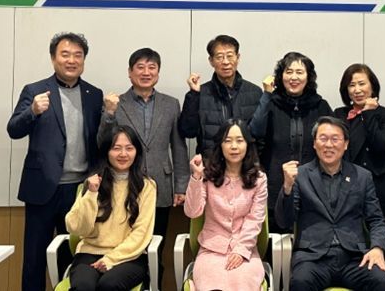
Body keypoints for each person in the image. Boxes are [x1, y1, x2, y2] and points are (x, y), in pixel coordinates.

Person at [7, 32, 103, 291]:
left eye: (78, 55)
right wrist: (32, 111)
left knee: (73, 256)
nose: (72, 60)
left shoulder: (94, 94)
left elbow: (98, 141)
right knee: (35, 257)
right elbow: (13, 130)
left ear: (83, 60)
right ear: (53, 59)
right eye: (65, 54)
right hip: (42, 187)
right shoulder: (35, 90)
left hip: (79, 190)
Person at [98, 47, 189, 287]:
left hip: (161, 186)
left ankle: (153, 286)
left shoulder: (171, 104)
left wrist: (181, 185)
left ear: (158, 72)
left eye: (152, 67)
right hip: (125, 186)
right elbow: (102, 143)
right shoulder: (116, 103)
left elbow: (179, 147)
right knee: (126, 245)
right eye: (140, 67)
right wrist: (109, 113)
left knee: (156, 247)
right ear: (130, 72)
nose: (146, 72)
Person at [275, 116, 385, 291]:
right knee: (300, 282)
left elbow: (377, 220)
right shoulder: (300, 175)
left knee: (382, 281)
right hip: (313, 258)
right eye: (323, 139)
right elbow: (284, 221)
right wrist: (287, 187)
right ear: (314, 143)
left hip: (354, 258)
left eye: (335, 139)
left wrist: (377, 248)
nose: (329, 145)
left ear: (345, 144)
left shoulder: (362, 176)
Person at [66, 125, 157, 291]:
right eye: (116, 148)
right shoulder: (93, 183)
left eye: (129, 148)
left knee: (109, 285)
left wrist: (111, 259)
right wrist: (91, 194)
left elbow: (141, 232)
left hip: (130, 257)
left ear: (136, 152)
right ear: (106, 152)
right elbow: (76, 227)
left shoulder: (147, 186)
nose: (123, 154)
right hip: (89, 252)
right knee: (83, 286)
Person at [249, 51, 332, 231]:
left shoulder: (321, 106)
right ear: (281, 76)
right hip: (276, 186)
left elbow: (333, 144)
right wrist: (266, 95)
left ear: (308, 77)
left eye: (299, 72)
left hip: (314, 187)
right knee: (278, 239)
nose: (294, 77)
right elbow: (254, 132)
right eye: (289, 72)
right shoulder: (270, 103)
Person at [184, 119, 268, 291]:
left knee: (243, 285)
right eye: (228, 141)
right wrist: (196, 177)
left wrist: (241, 250)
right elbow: (193, 212)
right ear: (220, 145)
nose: (234, 146)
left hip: (245, 251)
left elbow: (255, 219)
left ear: (247, 144)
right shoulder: (208, 175)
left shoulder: (259, 179)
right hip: (211, 251)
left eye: (239, 140)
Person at [178, 35, 262, 156]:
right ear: (211, 61)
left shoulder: (255, 92)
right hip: (211, 164)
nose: (226, 62)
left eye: (230, 56)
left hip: (246, 164)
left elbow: (262, 136)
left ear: (238, 58)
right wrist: (194, 95)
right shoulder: (200, 93)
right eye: (219, 57)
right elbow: (188, 131)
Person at [334, 63, 385, 219]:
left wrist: (368, 113)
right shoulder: (339, 114)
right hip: (344, 186)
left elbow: (382, 144)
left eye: (362, 84)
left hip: (376, 188)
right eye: (352, 85)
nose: (357, 90)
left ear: (372, 86)